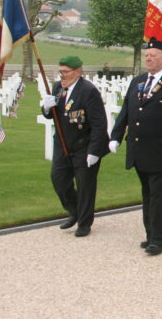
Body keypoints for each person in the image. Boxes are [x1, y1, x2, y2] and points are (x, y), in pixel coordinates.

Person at [110, 38, 162, 256]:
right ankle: (150, 234)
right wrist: (116, 136)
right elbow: (126, 112)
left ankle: (158, 239)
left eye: (153, 55)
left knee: (159, 197)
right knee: (148, 195)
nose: (148, 58)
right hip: (140, 151)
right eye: (147, 55)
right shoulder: (138, 81)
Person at [42, 55, 109, 237]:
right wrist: (46, 108)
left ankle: (84, 223)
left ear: (78, 72)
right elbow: (53, 116)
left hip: (84, 145)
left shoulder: (88, 91)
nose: (62, 76)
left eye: (65, 72)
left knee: (85, 185)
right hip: (62, 144)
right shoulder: (57, 88)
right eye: (60, 72)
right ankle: (74, 210)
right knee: (59, 180)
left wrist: (94, 151)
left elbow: (99, 124)